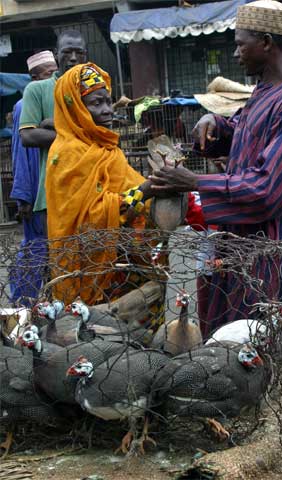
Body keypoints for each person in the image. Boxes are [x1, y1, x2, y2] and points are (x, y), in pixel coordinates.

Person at [149, 0, 282, 354]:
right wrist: (217, 126)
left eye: (240, 43)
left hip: (277, 252)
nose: (235, 54)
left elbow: (267, 190)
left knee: (273, 355)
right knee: (232, 354)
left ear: (265, 43)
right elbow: (247, 134)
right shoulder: (263, 93)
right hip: (242, 245)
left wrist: (195, 183)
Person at [45, 63, 165, 331]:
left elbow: (128, 188)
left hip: (130, 266)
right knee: (101, 345)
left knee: (143, 349)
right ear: (74, 107)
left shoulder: (106, 147)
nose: (107, 110)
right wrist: (144, 191)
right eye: (95, 103)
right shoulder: (67, 154)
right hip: (96, 275)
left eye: (108, 101)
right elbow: (88, 217)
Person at [19, 30, 87, 233]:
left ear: (86, 54)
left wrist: (52, 126)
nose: (73, 58)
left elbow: (105, 135)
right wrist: (81, 135)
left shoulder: (93, 89)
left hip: (93, 190)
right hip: (54, 192)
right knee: (61, 258)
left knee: (97, 259)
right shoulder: (37, 90)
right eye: (67, 52)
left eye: (79, 52)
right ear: (56, 53)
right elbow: (28, 136)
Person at [9, 51, 58, 304]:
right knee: (35, 251)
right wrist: (24, 195)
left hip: (52, 187)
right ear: (36, 77)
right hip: (35, 190)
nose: (54, 76)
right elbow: (21, 152)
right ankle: (21, 308)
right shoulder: (23, 105)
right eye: (49, 73)